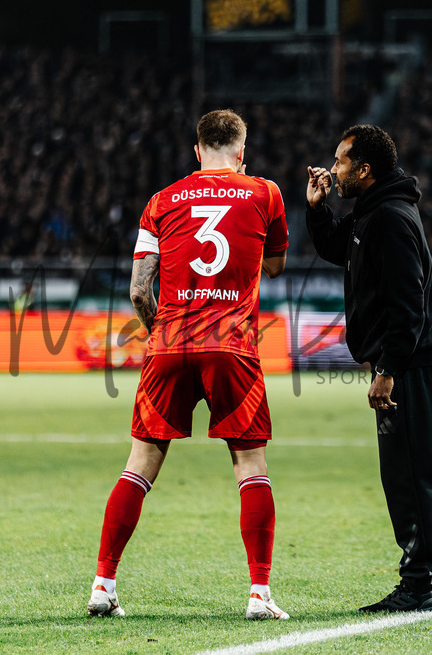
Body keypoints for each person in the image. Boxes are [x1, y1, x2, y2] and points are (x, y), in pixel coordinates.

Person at [88, 109, 290, 620]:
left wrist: (161, 328)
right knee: (250, 465)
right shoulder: (265, 193)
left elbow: (138, 289)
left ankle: (103, 585)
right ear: (241, 152)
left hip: (169, 344)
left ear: (196, 151)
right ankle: (259, 595)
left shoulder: (160, 201)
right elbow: (276, 264)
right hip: (231, 346)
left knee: (138, 466)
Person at [305, 125, 432, 613]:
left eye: (340, 163)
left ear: (365, 169)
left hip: (412, 363)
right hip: (414, 359)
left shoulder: (391, 218)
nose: (333, 170)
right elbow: (340, 250)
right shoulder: (374, 213)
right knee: (418, 469)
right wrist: (318, 209)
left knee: (407, 473)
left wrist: (388, 368)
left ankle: (419, 584)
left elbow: (408, 307)